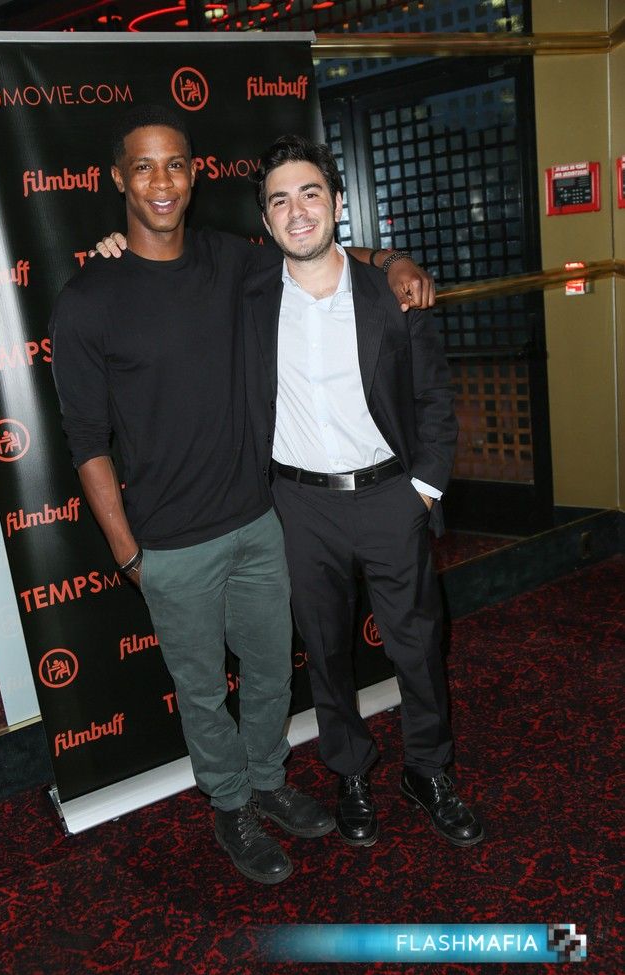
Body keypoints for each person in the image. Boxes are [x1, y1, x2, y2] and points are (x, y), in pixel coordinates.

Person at [51, 105, 435, 885]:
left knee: (269, 676)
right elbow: (86, 442)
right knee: (201, 693)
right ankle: (230, 805)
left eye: (175, 164)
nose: (161, 181)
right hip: (168, 543)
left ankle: (267, 782)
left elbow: (317, 252)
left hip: (261, 523)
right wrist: (128, 553)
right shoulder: (88, 298)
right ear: (119, 179)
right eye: (144, 167)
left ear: (194, 175)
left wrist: (394, 260)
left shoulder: (231, 261)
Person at [245, 135, 484, 849]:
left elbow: (435, 400)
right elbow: (167, 258)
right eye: (280, 200)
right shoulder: (249, 300)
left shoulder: (392, 293)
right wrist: (111, 247)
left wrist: (422, 492)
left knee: (418, 646)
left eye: (310, 193)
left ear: (338, 202)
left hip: (390, 498)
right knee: (325, 653)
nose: (297, 211)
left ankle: (428, 771)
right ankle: (350, 772)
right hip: (298, 507)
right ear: (265, 219)